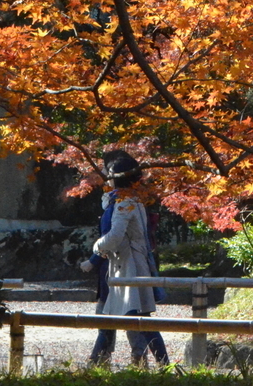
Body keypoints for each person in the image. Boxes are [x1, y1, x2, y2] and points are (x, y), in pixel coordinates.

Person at [80, 151, 170, 368]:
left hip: (128, 266)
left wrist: (96, 249)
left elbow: (115, 236)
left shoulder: (124, 202)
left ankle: (160, 365)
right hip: (123, 265)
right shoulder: (126, 200)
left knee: (138, 318)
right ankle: (101, 363)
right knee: (121, 317)